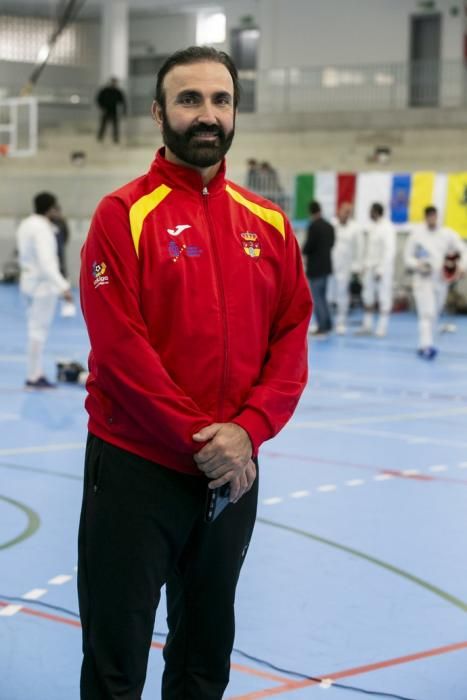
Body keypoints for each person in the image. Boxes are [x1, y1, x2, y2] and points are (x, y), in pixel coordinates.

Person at [78, 46, 312, 700]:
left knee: (204, 655)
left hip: (233, 474)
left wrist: (249, 431)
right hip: (137, 469)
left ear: (234, 111)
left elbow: (292, 334)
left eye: (219, 100)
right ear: (158, 113)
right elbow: (120, 351)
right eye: (189, 100)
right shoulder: (122, 215)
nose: (206, 115)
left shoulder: (267, 225)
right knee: (114, 661)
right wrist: (204, 440)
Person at [16, 192, 73, 388]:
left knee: (35, 329)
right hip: (41, 286)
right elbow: (47, 263)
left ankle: (35, 372)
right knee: (38, 331)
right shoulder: (42, 229)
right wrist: (63, 287)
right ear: (49, 208)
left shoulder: (26, 224)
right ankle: (34, 375)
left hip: (28, 283)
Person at [404, 205, 466, 359]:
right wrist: (418, 264)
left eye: (434, 216)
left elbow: (463, 249)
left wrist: (462, 267)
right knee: (427, 313)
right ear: (425, 217)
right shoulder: (416, 235)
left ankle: (424, 344)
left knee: (435, 314)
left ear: (437, 217)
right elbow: (407, 258)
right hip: (422, 280)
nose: (432, 219)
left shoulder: (447, 234)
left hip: (441, 281)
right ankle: (427, 346)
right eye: (429, 216)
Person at [356, 202, 396, 337]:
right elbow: (368, 250)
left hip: (382, 269)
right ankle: (367, 325)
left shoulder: (387, 228)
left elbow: (389, 251)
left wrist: (381, 270)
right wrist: (363, 266)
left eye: (371, 211)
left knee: (383, 297)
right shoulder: (371, 227)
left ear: (376, 212)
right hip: (370, 268)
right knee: (367, 297)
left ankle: (382, 327)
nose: (369, 214)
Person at [302, 200, 335, 337]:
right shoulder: (329, 226)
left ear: (310, 212)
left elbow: (308, 246)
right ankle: (328, 323)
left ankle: (322, 326)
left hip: (315, 267)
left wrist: (303, 251)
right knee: (323, 296)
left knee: (317, 298)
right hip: (326, 266)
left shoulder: (313, 226)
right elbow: (332, 243)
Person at [328, 201, 360, 334]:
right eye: (344, 211)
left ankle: (341, 322)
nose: (346, 214)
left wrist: (356, 266)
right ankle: (325, 321)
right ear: (339, 211)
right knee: (328, 295)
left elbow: (358, 248)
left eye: (349, 212)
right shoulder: (332, 224)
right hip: (330, 265)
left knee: (342, 295)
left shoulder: (355, 228)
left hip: (345, 267)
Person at [96, 77, 127, 144]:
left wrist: (124, 111)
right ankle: (100, 137)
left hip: (114, 110)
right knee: (103, 125)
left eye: (115, 82)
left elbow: (123, 102)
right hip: (106, 110)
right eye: (113, 82)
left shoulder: (117, 92)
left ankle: (115, 139)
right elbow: (99, 99)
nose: (114, 83)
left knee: (115, 126)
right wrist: (102, 107)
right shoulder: (104, 91)